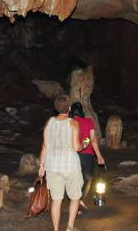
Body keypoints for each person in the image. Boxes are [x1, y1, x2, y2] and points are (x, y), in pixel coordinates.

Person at [39, 95, 83, 231]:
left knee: (56, 200)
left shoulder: (49, 122)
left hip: (52, 166)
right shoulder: (73, 123)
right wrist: (84, 144)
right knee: (75, 197)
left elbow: (44, 146)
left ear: (56, 108)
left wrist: (41, 166)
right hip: (70, 166)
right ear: (69, 108)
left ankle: (56, 230)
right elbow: (76, 147)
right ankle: (70, 227)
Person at [69, 101, 105, 210]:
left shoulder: (69, 122)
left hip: (73, 154)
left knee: (74, 179)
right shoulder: (88, 121)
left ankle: (75, 201)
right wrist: (99, 156)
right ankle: (79, 201)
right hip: (87, 155)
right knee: (87, 180)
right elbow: (93, 140)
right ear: (82, 111)